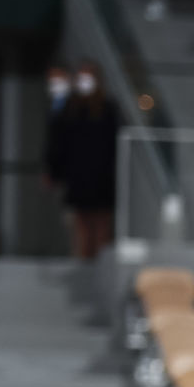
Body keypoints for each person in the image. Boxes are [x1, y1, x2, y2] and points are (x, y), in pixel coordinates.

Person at [44, 61, 121, 260]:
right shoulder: (71, 110)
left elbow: (115, 146)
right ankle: (84, 265)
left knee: (101, 227)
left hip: (102, 178)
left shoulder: (108, 109)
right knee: (82, 230)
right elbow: (59, 144)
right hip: (78, 178)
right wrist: (54, 171)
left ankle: (101, 266)